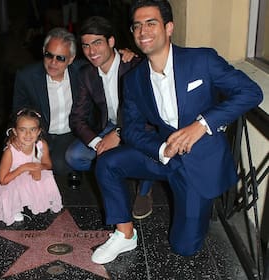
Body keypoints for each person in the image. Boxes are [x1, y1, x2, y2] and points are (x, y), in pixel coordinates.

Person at [91, 0, 263, 265]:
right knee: (107, 162)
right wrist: (161, 149)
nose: (143, 31)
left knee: (184, 247)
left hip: (198, 163)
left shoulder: (201, 60)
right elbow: (133, 129)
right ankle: (124, 234)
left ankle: (196, 205)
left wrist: (202, 124)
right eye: (137, 26)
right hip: (163, 155)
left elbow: (252, 92)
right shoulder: (134, 79)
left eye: (151, 23)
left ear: (168, 27)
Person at [66, 15, 153, 218]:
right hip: (110, 125)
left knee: (147, 145)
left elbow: (149, 116)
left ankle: (145, 188)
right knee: (74, 156)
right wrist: (98, 143)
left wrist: (119, 134)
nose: (91, 51)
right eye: (86, 45)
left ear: (111, 42)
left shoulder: (134, 66)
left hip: (139, 127)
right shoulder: (87, 74)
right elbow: (76, 118)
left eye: (97, 43)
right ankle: (120, 169)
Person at [13, 27, 84, 188]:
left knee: (59, 165)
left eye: (60, 58)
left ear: (71, 59)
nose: (53, 62)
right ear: (43, 51)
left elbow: (107, 61)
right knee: (17, 158)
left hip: (70, 133)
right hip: (40, 133)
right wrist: (15, 134)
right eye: (49, 55)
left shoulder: (82, 71)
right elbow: (17, 109)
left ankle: (74, 168)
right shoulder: (27, 76)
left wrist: (126, 54)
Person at [0, 108, 63, 226]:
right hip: (12, 178)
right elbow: (3, 180)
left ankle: (42, 199)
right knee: (16, 185)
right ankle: (14, 207)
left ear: (39, 131)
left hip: (29, 172)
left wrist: (38, 167)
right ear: (14, 131)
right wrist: (23, 168)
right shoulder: (10, 152)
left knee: (47, 176)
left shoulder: (41, 145)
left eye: (33, 129)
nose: (28, 134)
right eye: (22, 130)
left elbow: (48, 165)